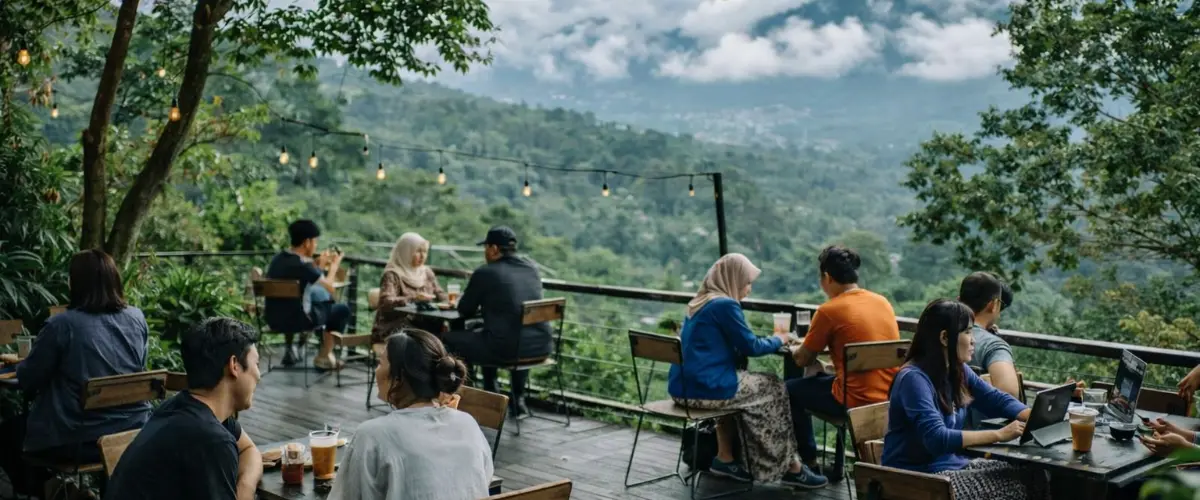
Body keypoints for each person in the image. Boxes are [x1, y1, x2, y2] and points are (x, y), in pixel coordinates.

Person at [667, 253, 826, 488]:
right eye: (746, 282)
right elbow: (751, 346)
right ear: (732, 279)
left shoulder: (699, 302)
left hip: (681, 387)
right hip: (705, 389)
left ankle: (725, 458)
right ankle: (792, 468)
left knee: (749, 387)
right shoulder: (724, 304)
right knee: (774, 386)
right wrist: (780, 338)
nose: (749, 289)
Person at [0, 249, 150, 496]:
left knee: (7, 435)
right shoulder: (136, 318)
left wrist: (22, 364)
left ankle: (53, 489)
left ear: (76, 283)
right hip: (132, 432)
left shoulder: (62, 325)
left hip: (81, 441)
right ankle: (66, 490)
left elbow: (28, 378)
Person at [881, 299, 1045, 500]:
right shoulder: (913, 379)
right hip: (916, 478)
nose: (973, 339)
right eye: (967, 332)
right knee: (1013, 487)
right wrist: (999, 434)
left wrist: (1035, 416)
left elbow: (994, 398)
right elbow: (937, 438)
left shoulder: (957, 370)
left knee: (1033, 473)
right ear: (944, 337)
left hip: (950, 467)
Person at [105, 317, 263, 500]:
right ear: (234, 365)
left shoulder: (183, 406)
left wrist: (244, 490)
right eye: (256, 364)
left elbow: (249, 450)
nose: (258, 376)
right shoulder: (210, 439)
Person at [329, 328, 492, 500]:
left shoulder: (372, 435)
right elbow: (482, 482)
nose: (376, 371)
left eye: (380, 363)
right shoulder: (467, 424)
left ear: (398, 377)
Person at [786, 245, 901, 478]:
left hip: (851, 398)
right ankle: (830, 467)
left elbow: (803, 358)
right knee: (822, 380)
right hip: (888, 395)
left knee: (786, 391)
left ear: (827, 277)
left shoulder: (829, 310)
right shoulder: (882, 302)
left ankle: (808, 463)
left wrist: (793, 346)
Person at [442, 226, 551, 417]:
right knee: (492, 333)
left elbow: (464, 310)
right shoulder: (532, 268)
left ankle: (472, 401)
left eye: (486, 248)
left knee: (449, 339)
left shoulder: (486, 272)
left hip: (507, 349)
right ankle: (517, 400)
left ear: (493, 249)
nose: (485, 253)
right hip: (542, 346)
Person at [265, 219, 350, 370]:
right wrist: (334, 266)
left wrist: (317, 265)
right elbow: (330, 287)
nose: (316, 245)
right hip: (300, 321)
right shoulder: (303, 266)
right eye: (315, 242)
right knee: (340, 309)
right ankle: (324, 356)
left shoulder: (277, 259)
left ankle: (297, 349)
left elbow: (307, 276)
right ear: (307, 242)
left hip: (273, 319)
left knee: (317, 301)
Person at [370, 232, 447, 343]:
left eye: (425, 252)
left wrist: (452, 300)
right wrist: (414, 298)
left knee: (440, 329)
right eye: (418, 251)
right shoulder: (392, 274)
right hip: (394, 326)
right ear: (406, 252)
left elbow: (440, 293)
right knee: (424, 334)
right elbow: (386, 303)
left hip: (422, 323)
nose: (422, 256)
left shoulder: (426, 273)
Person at [960, 272, 1020, 399]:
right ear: (993, 305)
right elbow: (1009, 393)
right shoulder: (992, 345)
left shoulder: (937, 331)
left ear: (959, 300)